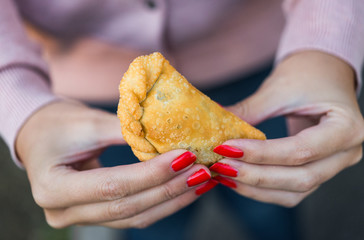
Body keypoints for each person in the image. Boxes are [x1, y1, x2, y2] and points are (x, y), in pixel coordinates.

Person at [1, 0, 363, 239]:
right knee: (146, 214)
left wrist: (323, 45)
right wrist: (24, 107)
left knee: (273, 197)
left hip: (270, 65)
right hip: (91, 100)